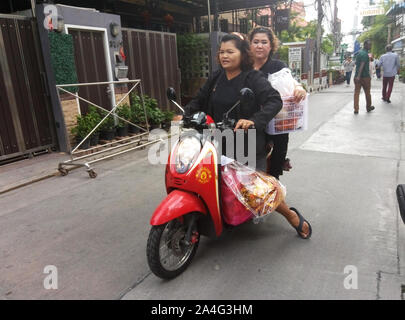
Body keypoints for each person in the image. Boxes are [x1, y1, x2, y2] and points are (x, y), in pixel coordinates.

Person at [179, 34, 312, 239]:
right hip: (215, 139)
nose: (224, 56)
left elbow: (274, 101)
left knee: (256, 192)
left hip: (246, 142)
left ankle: (291, 215)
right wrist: (185, 114)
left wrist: (254, 120)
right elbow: (199, 100)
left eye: (230, 51)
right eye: (222, 52)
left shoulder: (252, 77)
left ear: (243, 54)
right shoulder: (216, 76)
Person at [248, 26, 307, 180]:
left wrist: (299, 87)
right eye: (255, 42)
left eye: (264, 42)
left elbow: (290, 80)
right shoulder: (244, 67)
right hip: (252, 117)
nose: (259, 46)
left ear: (271, 45)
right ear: (250, 45)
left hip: (276, 118)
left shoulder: (278, 66)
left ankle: (275, 186)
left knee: (278, 153)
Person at [354, 39, 374, 114]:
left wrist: (357, 76)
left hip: (357, 77)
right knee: (367, 93)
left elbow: (357, 63)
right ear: (365, 45)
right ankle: (368, 107)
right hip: (365, 77)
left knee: (356, 93)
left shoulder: (359, 53)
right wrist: (359, 76)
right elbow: (362, 65)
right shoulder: (365, 54)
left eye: (371, 44)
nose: (370, 46)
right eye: (369, 44)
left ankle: (356, 109)